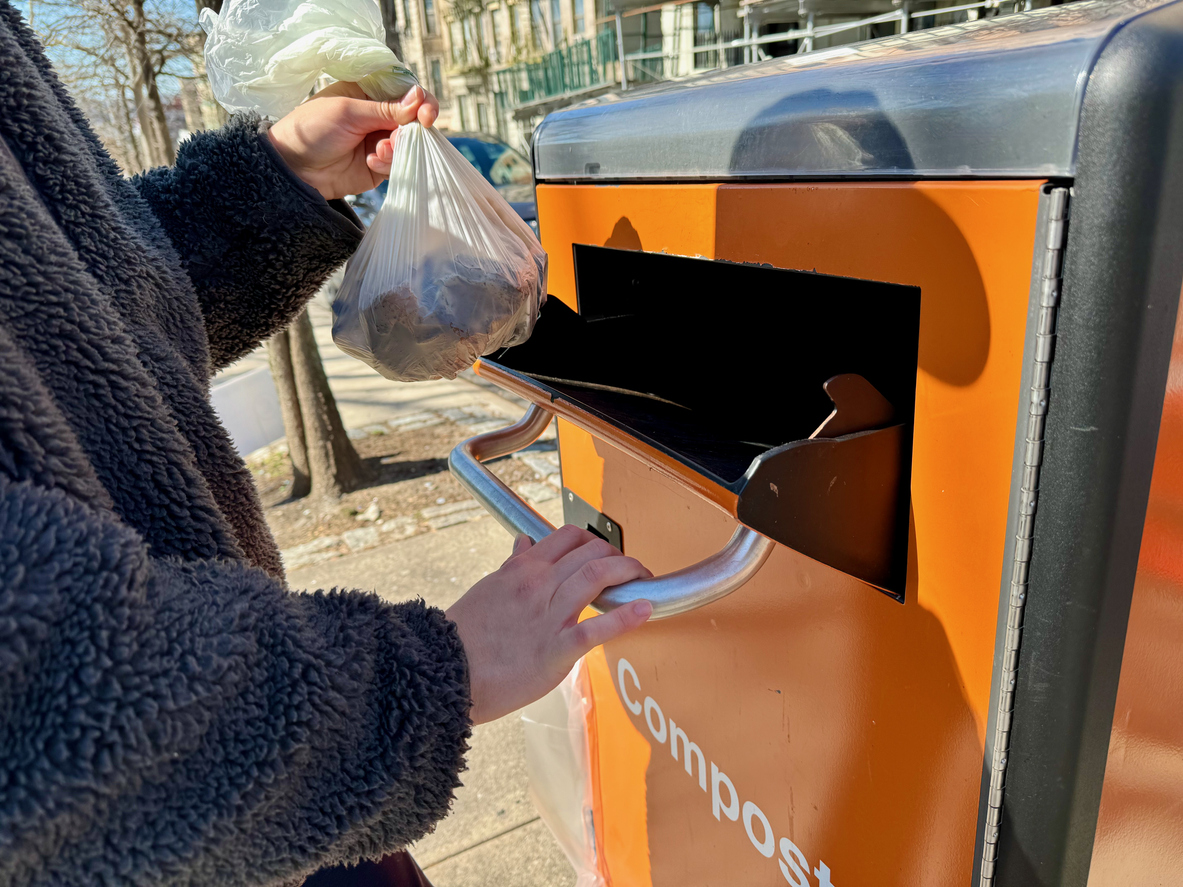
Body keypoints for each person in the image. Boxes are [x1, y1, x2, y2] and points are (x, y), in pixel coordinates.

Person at [0, 3, 654, 885]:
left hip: (264, 785)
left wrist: (270, 186)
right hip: (206, 793)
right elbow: (39, 700)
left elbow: (77, 322)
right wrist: (418, 683)